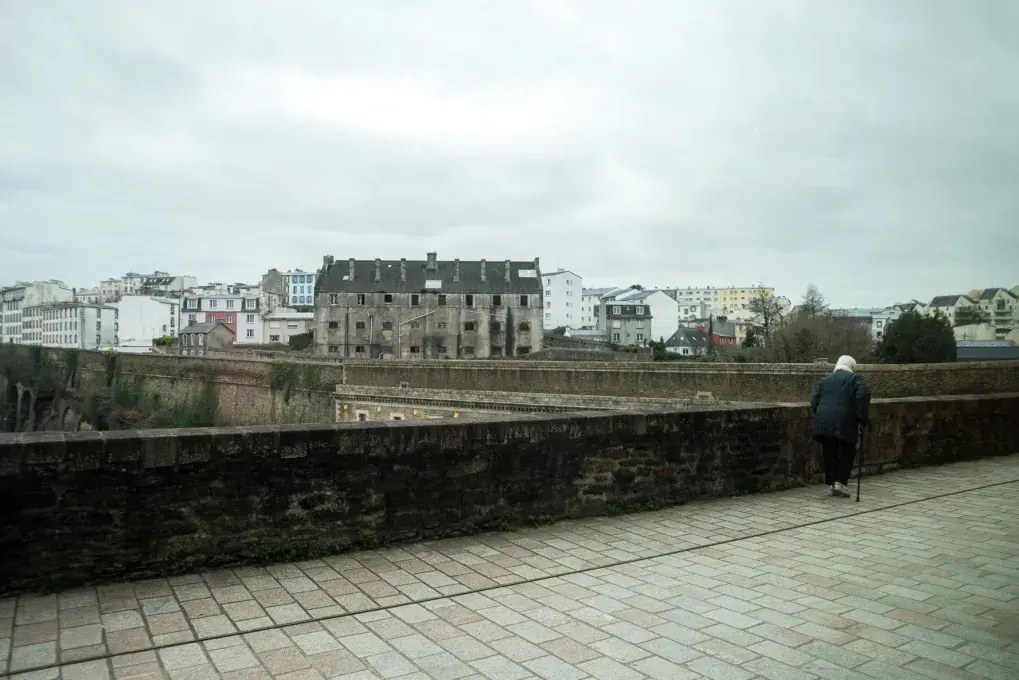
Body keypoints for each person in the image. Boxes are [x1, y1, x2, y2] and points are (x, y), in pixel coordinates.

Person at [810, 355, 871, 497]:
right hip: (845, 421)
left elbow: (814, 401)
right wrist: (861, 418)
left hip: (823, 422)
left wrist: (821, 413)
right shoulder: (857, 379)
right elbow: (862, 396)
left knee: (829, 452)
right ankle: (840, 483)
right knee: (847, 451)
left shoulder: (825, 380)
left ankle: (832, 483)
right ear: (852, 367)